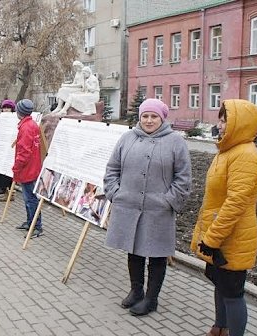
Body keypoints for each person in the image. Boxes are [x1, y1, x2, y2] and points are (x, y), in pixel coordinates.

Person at [103, 98, 192, 316]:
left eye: (154, 116)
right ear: (139, 117)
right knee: (134, 251)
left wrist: (168, 201)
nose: (149, 120)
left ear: (162, 119)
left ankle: (151, 299)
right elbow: (112, 168)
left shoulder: (175, 142)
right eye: (145, 116)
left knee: (157, 255)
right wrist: (115, 193)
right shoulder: (127, 138)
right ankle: (136, 291)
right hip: (129, 206)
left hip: (158, 210)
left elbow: (183, 177)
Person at [191, 100, 257, 336]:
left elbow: (235, 204)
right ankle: (219, 328)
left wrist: (211, 238)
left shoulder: (244, 156)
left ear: (239, 124)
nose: (219, 125)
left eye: (224, 120)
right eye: (219, 119)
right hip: (220, 236)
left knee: (232, 294)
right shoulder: (228, 151)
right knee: (220, 285)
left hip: (233, 237)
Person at [12, 99, 43, 237]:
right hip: (33, 167)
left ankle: (36, 226)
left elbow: (24, 152)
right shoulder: (32, 125)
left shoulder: (26, 128)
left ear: (20, 112)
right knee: (28, 198)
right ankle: (30, 222)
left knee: (30, 198)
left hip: (27, 169)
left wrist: (16, 168)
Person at [0, 99, 16, 200]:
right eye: (4, 108)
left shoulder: (14, 119)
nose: (6, 110)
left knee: (8, 171)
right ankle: (3, 188)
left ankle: (10, 192)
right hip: (0, 147)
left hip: (9, 148)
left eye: (8, 108)